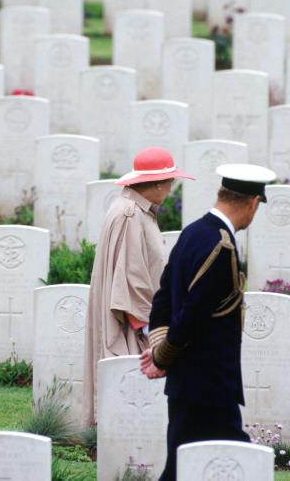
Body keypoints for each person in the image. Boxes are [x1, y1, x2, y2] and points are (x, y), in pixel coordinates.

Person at [140, 164, 277, 480]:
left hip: (188, 382)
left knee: (182, 466)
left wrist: (162, 351)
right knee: (236, 463)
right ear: (253, 203)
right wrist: (162, 357)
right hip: (210, 383)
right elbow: (193, 314)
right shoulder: (222, 245)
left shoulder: (193, 232)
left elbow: (163, 298)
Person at [81, 146, 194, 427]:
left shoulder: (137, 210)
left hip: (141, 315)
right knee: (131, 390)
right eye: (170, 181)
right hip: (134, 322)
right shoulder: (130, 215)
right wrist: (150, 326)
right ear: (156, 184)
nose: (171, 187)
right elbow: (131, 279)